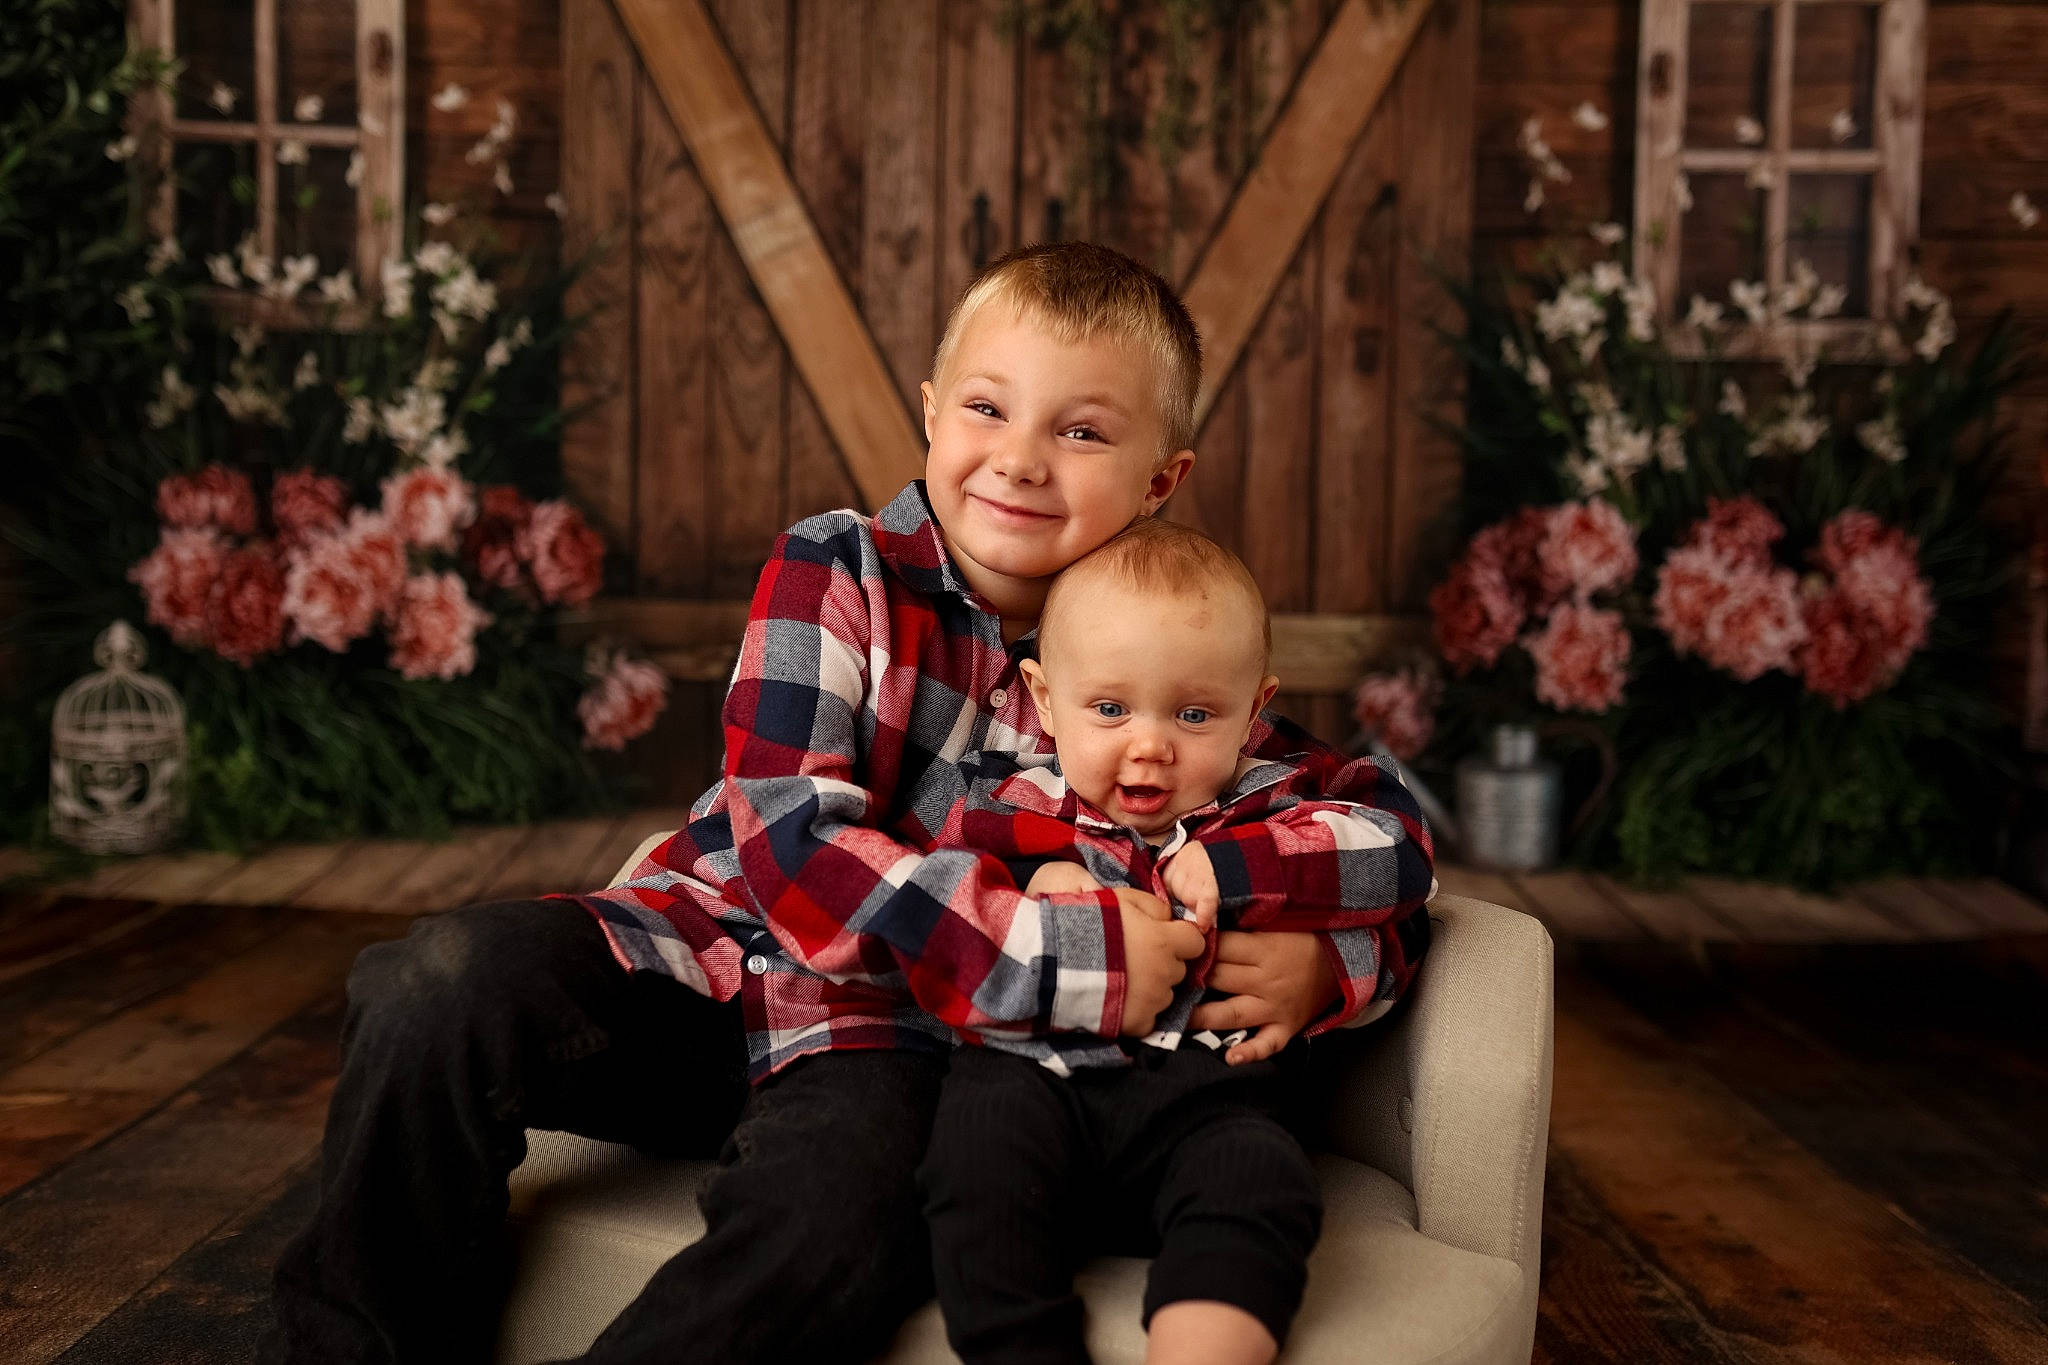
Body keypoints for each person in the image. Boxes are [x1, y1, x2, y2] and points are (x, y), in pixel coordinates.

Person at [258, 241, 1433, 1365]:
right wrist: (1055, 944)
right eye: (987, 409)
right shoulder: (837, 567)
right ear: (930, 412)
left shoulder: (1153, 659)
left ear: (1159, 483)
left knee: (830, 1229)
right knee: (438, 981)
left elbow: (1379, 833)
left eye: (1080, 431)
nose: (1020, 459)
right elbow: (789, 843)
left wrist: (1334, 969)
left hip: (887, 1044)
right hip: (709, 961)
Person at [919, 518, 1432, 1365]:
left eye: (1195, 713)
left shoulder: (1282, 797)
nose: (1149, 743)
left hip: (1215, 1100)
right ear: (1047, 700)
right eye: (1110, 708)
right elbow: (935, 919)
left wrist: (1242, 868)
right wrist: (1026, 898)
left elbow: (1402, 856)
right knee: (969, 1164)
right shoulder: (1008, 807)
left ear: (1254, 709)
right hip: (1034, 1085)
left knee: (1262, 1184)